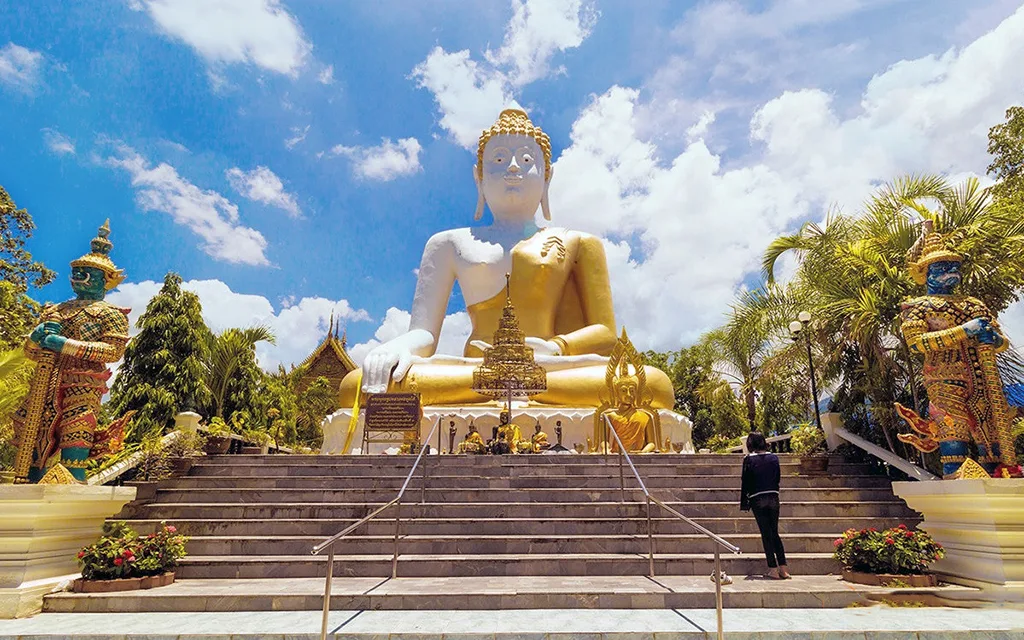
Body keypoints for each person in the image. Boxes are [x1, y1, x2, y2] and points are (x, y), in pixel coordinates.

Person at [740, 432, 789, 579]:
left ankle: (773, 569)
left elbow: (746, 481)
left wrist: (745, 502)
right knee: (774, 533)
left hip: (757, 498)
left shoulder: (748, 459)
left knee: (766, 534)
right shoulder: (774, 457)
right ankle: (784, 569)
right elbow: (778, 477)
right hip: (773, 496)